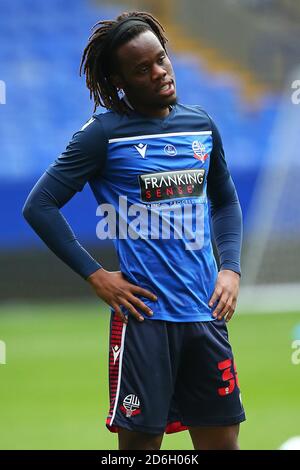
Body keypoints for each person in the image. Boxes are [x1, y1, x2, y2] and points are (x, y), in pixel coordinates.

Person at [23, 11, 245, 450]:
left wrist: (231, 269)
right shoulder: (102, 135)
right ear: (120, 81)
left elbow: (226, 201)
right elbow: (40, 206)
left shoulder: (201, 125)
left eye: (161, 60)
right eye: (142, 69)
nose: (160, 73)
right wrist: (96, 275)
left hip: (206, 316)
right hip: (145, 322)